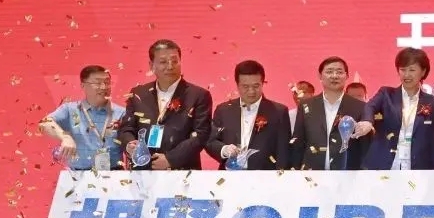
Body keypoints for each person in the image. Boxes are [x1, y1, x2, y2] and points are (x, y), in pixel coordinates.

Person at [119, 39, 213, 170]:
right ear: (151, 65)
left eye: (174, 61)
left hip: (182, 171)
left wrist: (170, 159)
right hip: (143, 170)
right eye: (163, 62)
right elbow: (126, 128)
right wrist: (130, 145)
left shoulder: (198, 95)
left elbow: (201, 134)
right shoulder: (138, 94)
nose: (170, 66)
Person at [353, 48, 434, 170]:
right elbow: (370, 106)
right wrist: (367, 121)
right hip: (384, 164)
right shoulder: (386, 94)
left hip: (417, 166)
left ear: (423, 72)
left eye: (412, 70)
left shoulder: (432, 102)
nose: (406, 75)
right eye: (402, 70)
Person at [205, 60, 291, 170]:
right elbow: (210, 140)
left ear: (263, 83)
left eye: (256, 86)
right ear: (237, 85)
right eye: (245, 87)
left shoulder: (279, 112)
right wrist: (224, 149)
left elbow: (283, 150)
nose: (251, 92)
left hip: (265, 175)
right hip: (229, 175)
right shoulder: (223, 110)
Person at [39, 65, 126, 170]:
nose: (104, 87)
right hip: (78, 175)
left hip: (114, 174)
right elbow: (44, 123)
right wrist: (65, 137)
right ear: (83, 85)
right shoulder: (70, 110)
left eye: (107, 82)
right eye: (98, 83)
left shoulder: (122, 113)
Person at [290, 57, 369, 170]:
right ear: (320, 76)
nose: (334, 76)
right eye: (329, 72)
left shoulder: (360, 107)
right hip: (312, 173)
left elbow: (365, 146)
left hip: (349, 174)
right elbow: (298, 141)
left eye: (339, 72)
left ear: (347, 76)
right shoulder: (306, 105)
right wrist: (295, 170)